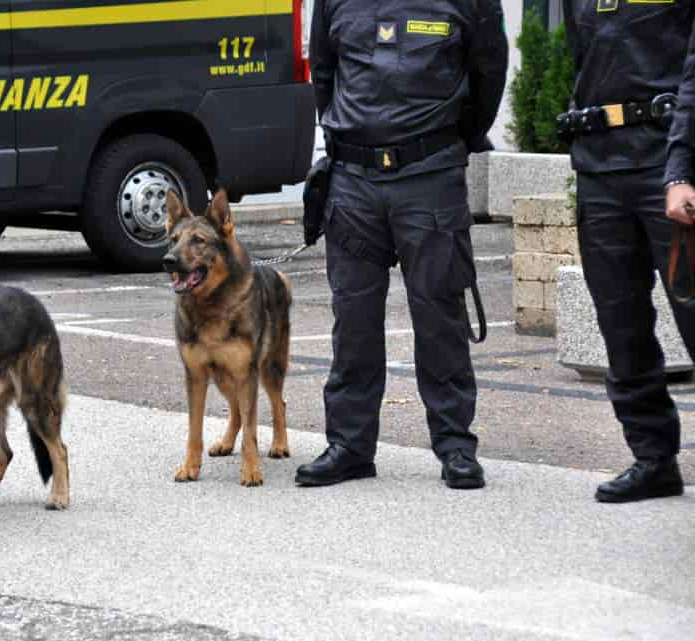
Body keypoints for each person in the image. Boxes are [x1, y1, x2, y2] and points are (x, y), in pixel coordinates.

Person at [295, 0, 508, 489]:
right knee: (353, 319)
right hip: (354, 180)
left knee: (439, 317)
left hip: (429, 174)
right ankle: (349, 445)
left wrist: (451, 140)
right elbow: (323, 73)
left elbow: (488, 75)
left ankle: (455, 445)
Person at [558, 0, 692, 502]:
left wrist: (682, 169)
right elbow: (586, 60)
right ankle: (653, 458)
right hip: (600, 168)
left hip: (670, 167)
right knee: (621, 325)